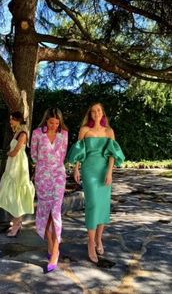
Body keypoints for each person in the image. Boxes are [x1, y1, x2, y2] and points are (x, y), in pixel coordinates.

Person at [68, 102, 125, 264]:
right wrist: (76, 169)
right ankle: (90, 243)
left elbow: (113, 154)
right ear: (90, 114)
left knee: (103, 205)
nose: (96, 113)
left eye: (98, 110)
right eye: (93, 111)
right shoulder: (85, 130)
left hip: (103, 171)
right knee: (93, 204)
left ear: (103, 113)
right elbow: (79, 151)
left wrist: (109, 172)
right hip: (89, 170)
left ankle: (99, 239)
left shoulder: (109, 131)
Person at [31, 108, 68, 273]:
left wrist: (54, 167)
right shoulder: (37, 133)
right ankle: (50, 243)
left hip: (58, 176)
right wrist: (43, 167)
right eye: (51, 122)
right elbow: (33, 154)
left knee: (55, 212)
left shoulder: (64, 134)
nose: (54, 125)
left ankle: (55, 252)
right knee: (45, 211)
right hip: (42, 177)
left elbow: (63, 155)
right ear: (46, 121)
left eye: (57, 122)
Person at [0, 111, 35, 237]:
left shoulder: (22, 133)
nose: (10, 121)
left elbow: (16, 151)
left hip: (18, 165)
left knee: (16, 192)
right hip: (13, 164)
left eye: (12, 119)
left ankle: (17, 223)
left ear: (18, 120)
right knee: (11, 191)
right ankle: (16, 220)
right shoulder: (17, 132)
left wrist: (8, 154)